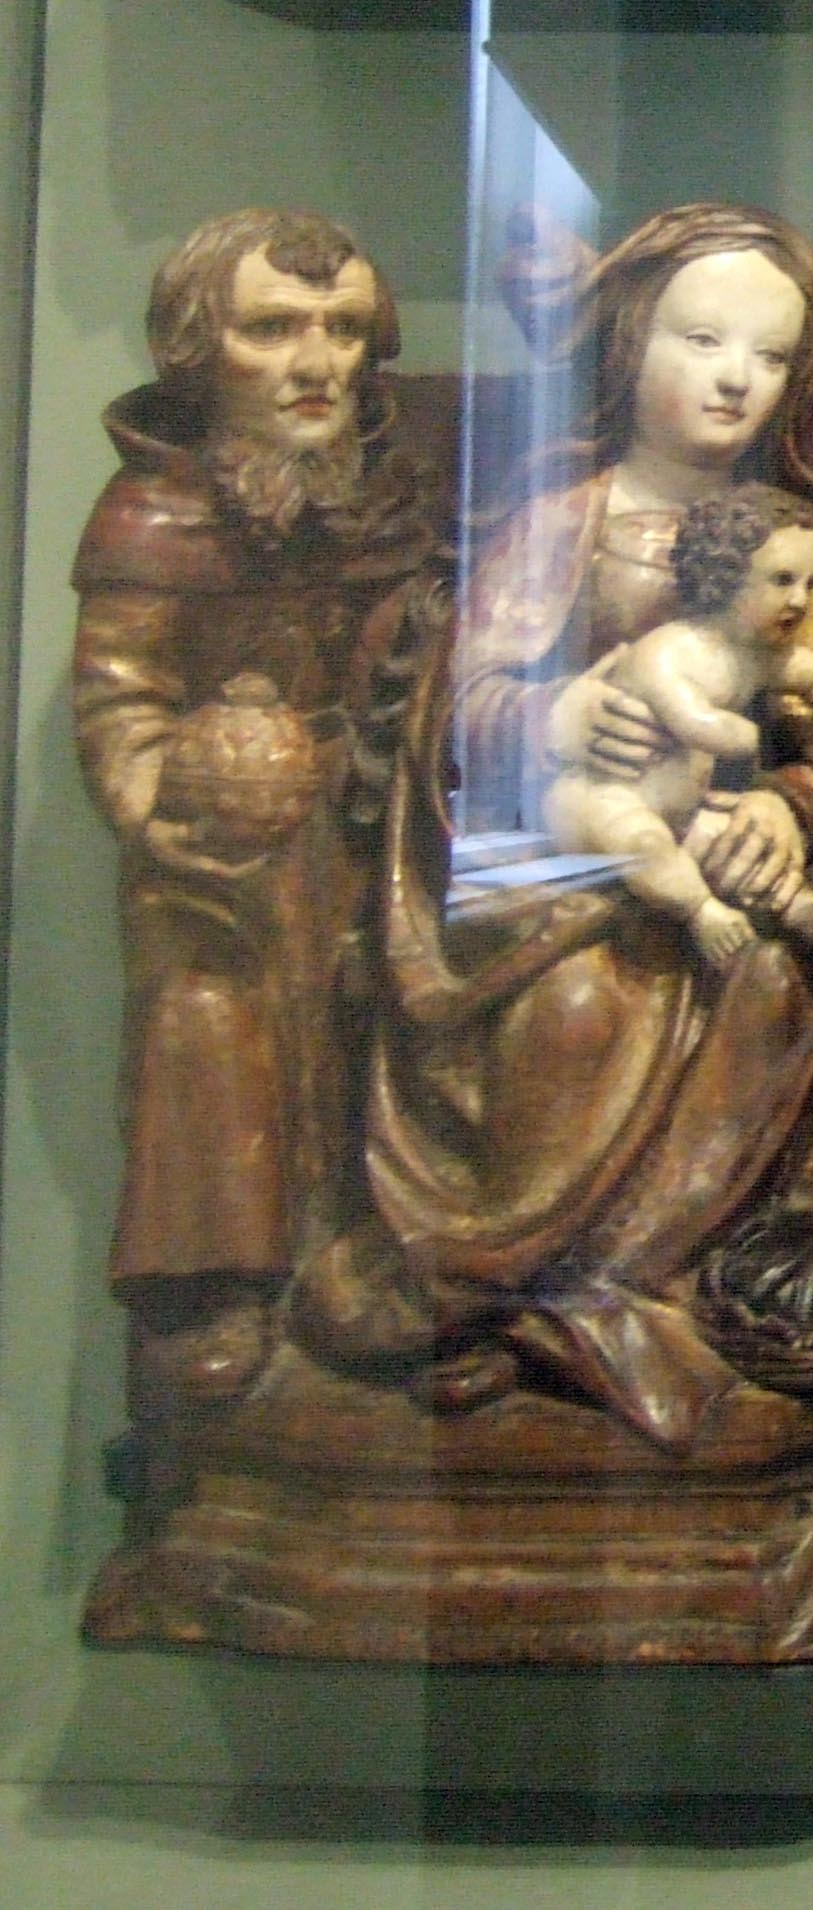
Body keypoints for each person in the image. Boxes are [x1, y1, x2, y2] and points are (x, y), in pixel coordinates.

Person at [316, 204, 813, 1444]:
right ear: (630, 340)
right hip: (562, 857)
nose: (735, 378)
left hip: (727, 860)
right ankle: (514, 1284)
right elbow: (460, 703)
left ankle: (658, 1278)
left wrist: (787, 808)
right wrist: (553, 712)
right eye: (701, 340)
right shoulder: (566, 520)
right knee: (579, 1005)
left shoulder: (800, 547)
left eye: (769, 355)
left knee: (779, 983)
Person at [70, 208, 433, 1409]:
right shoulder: (150, 513)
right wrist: (155, 805)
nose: (316, 361)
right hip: (217, 841)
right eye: (272, 330)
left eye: (343, 329)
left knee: (390, 997)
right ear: (198, 350)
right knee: (208, 1017)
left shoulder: (390, 493)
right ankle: (217, 1277)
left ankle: (370, 1248)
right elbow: (121, 692)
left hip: (368, 806)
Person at [541, 484, 813, 965]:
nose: (800, 600)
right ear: (727, 577)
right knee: (644, 845)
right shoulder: (671, 650)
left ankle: (797, 908)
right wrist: (745, 736)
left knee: (734, 845)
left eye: (810, 584)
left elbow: (812, 674)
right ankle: (702, 912)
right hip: (602, 799)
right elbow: (693, 722)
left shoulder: (752, 653)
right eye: (783, 580)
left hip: (683, 809)